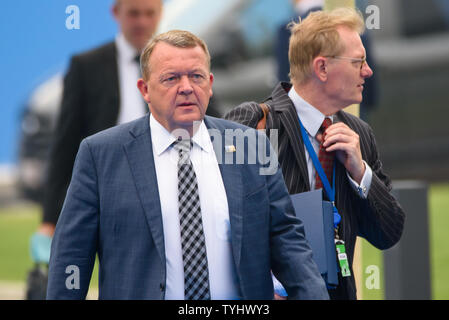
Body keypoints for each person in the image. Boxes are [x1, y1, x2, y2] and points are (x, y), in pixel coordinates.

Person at [46, 29, 329, 300]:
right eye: (171, 79)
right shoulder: (101, 155)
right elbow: (72, 256)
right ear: (144, 89)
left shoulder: (249, 146)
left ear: (210, 83)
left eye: (196, 76)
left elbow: (285, 235)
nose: (186, 88)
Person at [225, 8, 405, 300]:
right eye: (358, 61)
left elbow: (389, 233)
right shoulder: (253, 122)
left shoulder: (359, 134)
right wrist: (265, 287)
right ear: (322, 68)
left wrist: (361, 173)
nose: (368, 71)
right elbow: (219, 222)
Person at [30, 0, 164, 265]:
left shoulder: (175, 64)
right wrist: (49, 218)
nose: (142, 22)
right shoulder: (86, 66)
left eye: (149, 14)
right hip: (108, 190)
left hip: (165, 183)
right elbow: (65, 145)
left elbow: (207, 120)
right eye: (134, 13)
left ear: (160, 14)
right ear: (116, 13)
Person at [275, 0, 378, 121]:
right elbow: (371, 94)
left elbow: (284, 87)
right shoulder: (353, 27)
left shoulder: (287, 31)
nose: (367, 71)